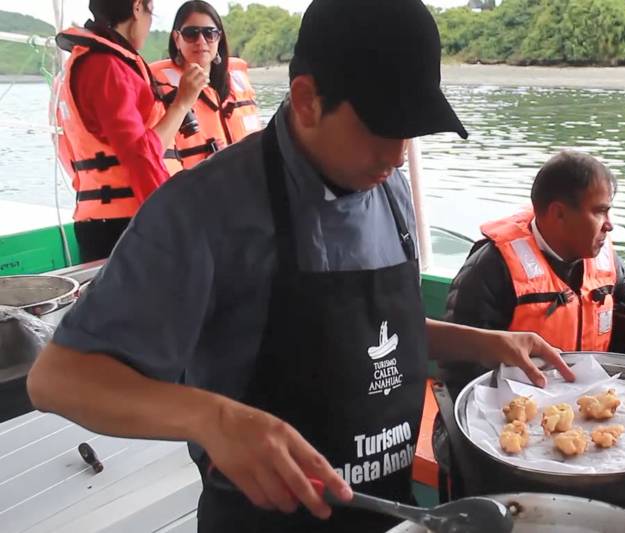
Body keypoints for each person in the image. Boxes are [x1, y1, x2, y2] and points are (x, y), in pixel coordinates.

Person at [27, 1, 574, 531]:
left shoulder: (389, 191)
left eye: (410, 129)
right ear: (307, 99)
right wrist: (212, 418)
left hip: (393, 511)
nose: (397, 152)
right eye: (380, 126)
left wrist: (488, 342)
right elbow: (59, 379)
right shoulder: (205, 211)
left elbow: (373, 333)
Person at [439, 150, 625, 399]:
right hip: (517, 409)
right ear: (558, 213)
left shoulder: (601, 255)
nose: (609, 224)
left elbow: (620, 282)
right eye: (599, 212)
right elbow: (459, 361)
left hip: (587, 398)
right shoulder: (491, 268)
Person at [54, 0, 205, 262]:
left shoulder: (91, 62)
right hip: (122, 226)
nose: (148, 26)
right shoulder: (107, 68)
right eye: (151, 12)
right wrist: (182, 103)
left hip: (103, 220)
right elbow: (140, 156)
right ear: (137, 8)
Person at [151, 1, 261, 172]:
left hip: (244, 186)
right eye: (191, 33)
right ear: (176, 39)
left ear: (219, 38)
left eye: (209, 33)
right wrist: (181, 104)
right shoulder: (158, 91)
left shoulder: (237, 83)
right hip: (195, 192)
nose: (201, 41)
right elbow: (150, 152)